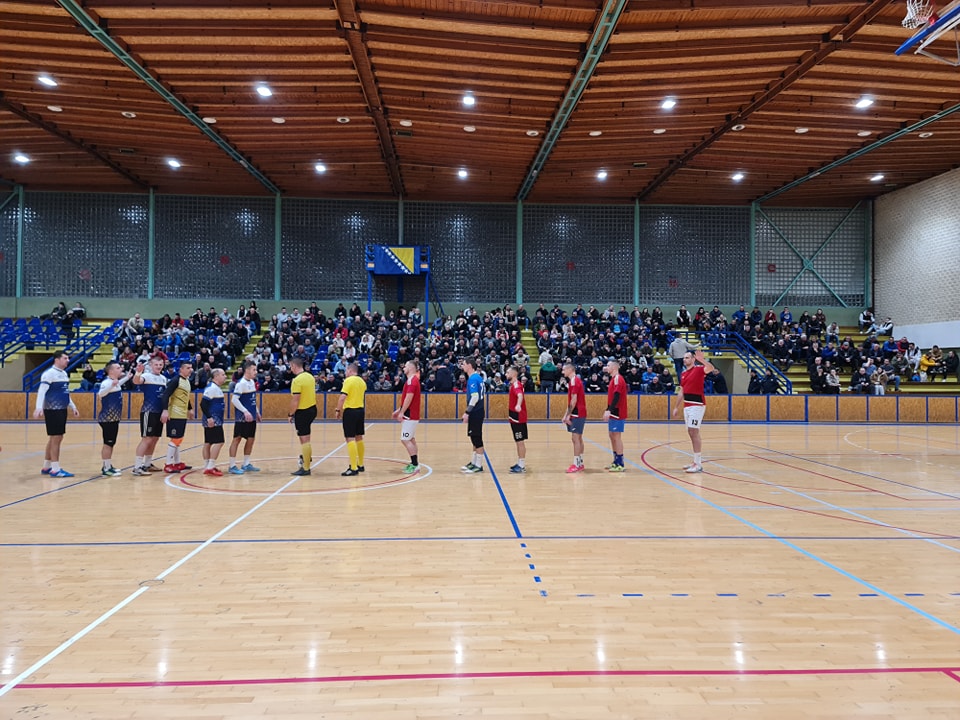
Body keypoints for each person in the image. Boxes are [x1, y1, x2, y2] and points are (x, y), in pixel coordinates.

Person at [34, 351, 80, 478]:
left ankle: (46, 466)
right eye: (65, 358)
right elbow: (42, 391)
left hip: (62, 409)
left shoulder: (64, 374)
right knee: (56, 438)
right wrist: (39, 407)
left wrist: (72, 406)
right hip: (52, 410)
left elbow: (65, 393)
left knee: (55, 437)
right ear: (57, 360)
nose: (68, 360)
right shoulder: (49, 374)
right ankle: (55, 469)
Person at [672, 349, 715, 474]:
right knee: (691, 432)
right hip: (687, 405)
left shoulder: (699, 369)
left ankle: (698, 464)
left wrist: (702, 360)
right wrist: (676, 407)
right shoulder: (683, 374)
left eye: (687, 357)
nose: (684, 360)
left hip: (697, 405)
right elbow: (682, 391)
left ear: (693, 359)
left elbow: (711, 368)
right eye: (684, 358)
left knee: (694, 432)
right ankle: (695, 461)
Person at [131, 354, 168, 476]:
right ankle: (137, 467)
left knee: (155, 438)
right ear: (151, 365)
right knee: (147, 439)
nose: (158, 366)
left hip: (159, 412)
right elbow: (136, 381)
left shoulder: (163, 379)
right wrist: (138, 372)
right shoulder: (146, 376)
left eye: (160, 365)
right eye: (156, 364)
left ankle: (147, 464)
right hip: (149, 411)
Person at [97, 360, 131, 476]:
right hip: (108, 419)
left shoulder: (114, 382)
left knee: (111, 443)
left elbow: (117, 384)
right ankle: (106, 469)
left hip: (114, 418)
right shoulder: (107, 383)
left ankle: (108, 465)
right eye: (118, 368)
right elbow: (101, 394)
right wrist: (112, 385)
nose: (121, 369)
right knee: (108, 443)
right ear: (111, 371)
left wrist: (127, 378)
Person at [161, 359, 194, 473]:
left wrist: (190, 409)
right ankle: (168, 464)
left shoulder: (187, 381)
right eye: (188, 368)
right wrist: (165, 410)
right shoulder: (175, 380)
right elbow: (165, 395)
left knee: (179, 438)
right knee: (176, 439)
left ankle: (178, 462)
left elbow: (186, 396)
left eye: (191, 368)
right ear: (181, 369)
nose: (190, 370)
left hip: (182, 414)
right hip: (175, 413)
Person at [228, 360, 261, 474]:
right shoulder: (240, 384)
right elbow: (234, 400)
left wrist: (256, 412)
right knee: (237, 439)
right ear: (247, 370)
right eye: (254, 370)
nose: (256, 372)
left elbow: (252, 399)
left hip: (252, 417)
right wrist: (245, 411)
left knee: (251, 439)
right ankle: (232, 465)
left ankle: (246, 464)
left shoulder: (252, 382)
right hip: (242, 418)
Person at [336, 362, 367, 476]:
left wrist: (338, 410)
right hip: (360, 411)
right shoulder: (362, 381)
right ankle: (361, 464)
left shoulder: (348, 381)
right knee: (359, 437)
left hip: (350, 411)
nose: (345, 373)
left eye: (346, 370)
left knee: (350, 438)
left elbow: (342, 397)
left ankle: (353, 467)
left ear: (350, 370)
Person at [288, 357, 318, 476]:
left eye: (291, 366)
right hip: (312, 409)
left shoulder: (297, 380)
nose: (290, 369)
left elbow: (296, 400)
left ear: (294, 366)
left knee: (304, 439)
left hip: (303, 411)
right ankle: (307, 457)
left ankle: (306, 467)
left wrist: (291, 414)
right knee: (307, 438)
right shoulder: (310, 377)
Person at [392, 359, 422, 474]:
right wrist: (398, 410)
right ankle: (414, 463)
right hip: (412, 415)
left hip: (410, 416)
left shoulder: (411, 381)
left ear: (410, 368)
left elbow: (409, 398)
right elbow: (407, 399)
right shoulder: (412, 380)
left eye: (405, 366)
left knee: (405, 439)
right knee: (411, 439)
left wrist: (402, 412)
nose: (403, 368)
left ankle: (415, 464)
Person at [458, 357, 486, 473]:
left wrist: (467, 412)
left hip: (476, 411)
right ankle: (474, 462)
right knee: (474, 437)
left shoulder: (473, 379)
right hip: (478, 411)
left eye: (464, 364)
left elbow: (475, 397)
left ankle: (478, 465)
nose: (462, 366)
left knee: (477, 438)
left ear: (470, 365)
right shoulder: (477, 377)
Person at [560, 360, 587, 473]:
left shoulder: (574, 381)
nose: (562, 372)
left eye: (564, 370)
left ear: (570, 370)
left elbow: (574, 400)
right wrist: (566, 414)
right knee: (578, 438)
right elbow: (571, 400)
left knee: (576, 438)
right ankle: (580, 462)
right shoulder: (574, 380)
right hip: (577, 412)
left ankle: (576, 464)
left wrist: (568, 415)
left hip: (577, 413)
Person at [200, 368, 227, 476]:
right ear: (216, 376)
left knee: (208, 442)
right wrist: (209, 418)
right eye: (223, 374)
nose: (225, 376)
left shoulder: (215, 388)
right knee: (219, 442)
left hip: (214, 419)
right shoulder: (212, 388)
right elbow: (203, 404)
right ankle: (210, 466)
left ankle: (207, 466)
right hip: (213, 420)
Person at [602, 359, 627, 472]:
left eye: (608, 365)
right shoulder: (613, 379)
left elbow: (617, 395)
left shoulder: (617, 378)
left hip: (618, 412)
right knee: (612, 435)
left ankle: (620, 463)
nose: (606, 367)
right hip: (613, 411)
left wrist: (610, 410)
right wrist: (608, 409)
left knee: (616, 436)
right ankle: (615, 461)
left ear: (614, 367)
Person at [505, 364, 528, 473]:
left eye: (508, 372)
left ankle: (522, 466)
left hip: (518, 418)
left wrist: (518, 405)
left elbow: (520, 395)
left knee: (520, 441)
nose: (506, 374)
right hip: (514, 417)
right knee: (518, 441)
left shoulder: (516, 385)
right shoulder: (513, 385)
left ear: (514, 374)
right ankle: (519, 463)